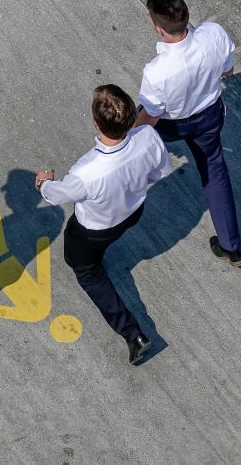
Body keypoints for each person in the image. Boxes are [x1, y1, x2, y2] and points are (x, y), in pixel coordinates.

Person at [35, 85, 171, 365]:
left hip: (92, 232)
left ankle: (133, 334)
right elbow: (159, 172)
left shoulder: (87, 171)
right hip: (132, 213)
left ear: (96, 123)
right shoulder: (147, 136)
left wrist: (43, 181)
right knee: (104, 248)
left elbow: (55, 194)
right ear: (132, 117)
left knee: (87, 272)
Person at [134, 0, 241, 267]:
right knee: (215, 172)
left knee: (135, 137)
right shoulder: (214, 34)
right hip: (209, 118)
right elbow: (228, 72)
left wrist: (127, 138)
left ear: (158, 28)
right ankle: (232, 247)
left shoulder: (156, 71)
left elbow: (151, 115)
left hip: (172, 126)